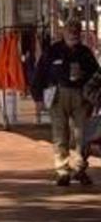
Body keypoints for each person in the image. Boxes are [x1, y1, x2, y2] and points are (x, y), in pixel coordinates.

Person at [31, 20, 99, 186]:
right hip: (58, 95)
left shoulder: (86, 53)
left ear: (80, 32)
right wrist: (38, 98)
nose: (73, 32)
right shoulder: (52, 51)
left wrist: (95, 98)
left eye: (77, 30)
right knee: (60, 134)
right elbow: (39, 74)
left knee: (83, 135)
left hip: (81, 97)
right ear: (63, 32)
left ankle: (79, 169)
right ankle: (62, 171)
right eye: (70, 29)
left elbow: (96, 76)